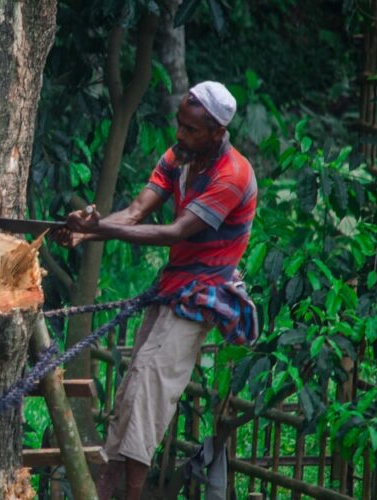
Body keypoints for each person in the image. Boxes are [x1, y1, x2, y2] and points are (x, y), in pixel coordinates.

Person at [56, 81, 258, 500]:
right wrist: (86, 235)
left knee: (148, 392)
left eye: (191, 130)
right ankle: (106, 489)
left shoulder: (233, 175)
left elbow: (174, 231)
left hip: (204, 295)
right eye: (180, 124)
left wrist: (96, 230)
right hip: (174, 287)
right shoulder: (179, 156)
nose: (180, 135)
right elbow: (134, 212)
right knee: (133, 391)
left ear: (217, 133)